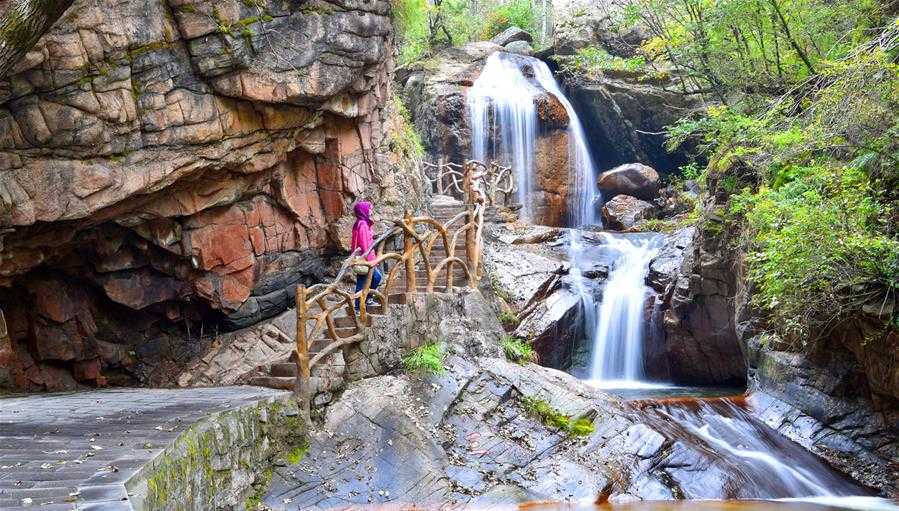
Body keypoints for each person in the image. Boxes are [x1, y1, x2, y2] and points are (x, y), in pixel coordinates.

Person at [350, 201, 382, 308]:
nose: (371, 211)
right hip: (365, 258)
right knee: (372, 278)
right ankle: (359, 306)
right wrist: (371, 261)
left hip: (363, 258)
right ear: (363, 210)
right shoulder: (363, 224)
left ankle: (364, 302)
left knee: (366, 280)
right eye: (369, 208)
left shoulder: (360, 223)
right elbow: (364, 245)